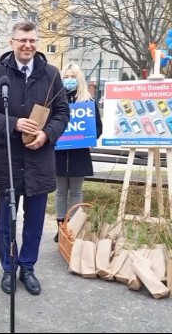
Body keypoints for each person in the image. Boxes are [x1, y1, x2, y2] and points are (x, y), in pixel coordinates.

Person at [0, 21, 70, 296]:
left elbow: (63, 113)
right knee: (8, 218)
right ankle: (8, 268)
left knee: (35, 219)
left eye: (32, 40)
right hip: (7, 158)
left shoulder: (51, 74)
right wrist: (14, 123)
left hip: (40, 159)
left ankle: (27, 267)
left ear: (37, 43)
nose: (27, 45)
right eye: (22, 40)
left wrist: (48, 135)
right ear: (12, 42)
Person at [53, 63, 103, 243]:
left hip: (78, 154)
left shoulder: (88, 102)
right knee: (60, 192)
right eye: (66, 77)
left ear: (79, 79)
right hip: (59, 154)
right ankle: (61, 227)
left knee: (76, 191)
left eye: (72, 77)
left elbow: (97, 127)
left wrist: (88, 138)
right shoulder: (55, 101)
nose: (69, 80)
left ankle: (72, 227)